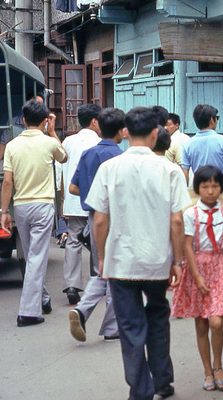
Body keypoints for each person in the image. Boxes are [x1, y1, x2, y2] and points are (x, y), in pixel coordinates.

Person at [85, 107, 191, 400]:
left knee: (130, 326)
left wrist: (103, 257)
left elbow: (100, 218)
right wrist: (178, 260)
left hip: (121, 261)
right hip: (157, 261)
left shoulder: (110, 168)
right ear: (156, 133)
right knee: (158, 317)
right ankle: (163, 382)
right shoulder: (169, 170)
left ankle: (140, 390)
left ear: (126, 132)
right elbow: (178, 220)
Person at [1, 99, 67, 326]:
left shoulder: (11, 146)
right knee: (37, 258)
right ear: (45, 120)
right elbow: (64, 156)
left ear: (23, 120)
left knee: (32, 256)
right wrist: (52, 132)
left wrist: (3, 211)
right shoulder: (49, 143)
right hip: (43, 205)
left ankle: (44, 299)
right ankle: (28, 312)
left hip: (20, 206)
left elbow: (7, 182)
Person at [171, 166, 223, 392]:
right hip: (196, 268)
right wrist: (196, 276)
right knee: (201, 324)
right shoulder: (190, 214)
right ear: (197, 188)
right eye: (205, 186)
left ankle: (218, 365)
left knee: (216, 321)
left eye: (215, 186)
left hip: (218, 268)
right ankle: (207, 370)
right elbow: (187, 244)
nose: (210, 191)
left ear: (221, 187)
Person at [67, 108, 125, 343]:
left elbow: (72, 188)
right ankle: (111, 326)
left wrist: (94, 196)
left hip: (92, 217)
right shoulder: (120, 157)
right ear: (122, 131)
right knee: (115, 271)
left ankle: (82, 310)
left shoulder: (89, 154)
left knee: (103, 267)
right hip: (116, 217)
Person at [61, 103, 102, 305]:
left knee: (73, 241)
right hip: (95, 201)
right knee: (97, 241)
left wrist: (62, 200)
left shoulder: (68, 141)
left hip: (73, 199)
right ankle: (97, 282)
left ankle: (72, 285)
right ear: (95, 121)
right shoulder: (100, 142)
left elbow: (62, 171)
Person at [182, 105, 223, 194]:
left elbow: (185, 173)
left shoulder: (187, 144)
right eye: (217, 118)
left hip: (199, 191)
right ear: (212, 120)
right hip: (219, 191)